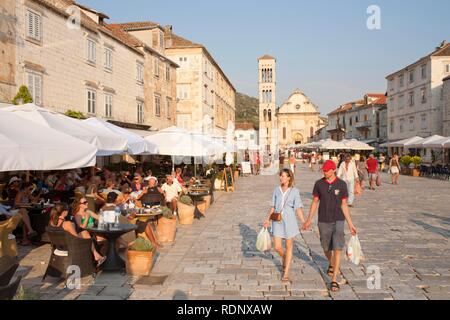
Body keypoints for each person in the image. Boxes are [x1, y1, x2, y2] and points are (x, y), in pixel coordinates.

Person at [302, 160, 357, 292]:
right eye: (323, 170)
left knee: (337, 247)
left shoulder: (342, 184)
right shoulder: (319, 184)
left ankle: (334, 280)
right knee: (326, 246)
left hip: (338, 219)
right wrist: (309, 219)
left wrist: (350, 224)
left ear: (333, 170)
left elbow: (344, 205)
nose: (324, 172)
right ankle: (332, 263)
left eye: (327, 170)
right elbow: (315, 202)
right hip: (323, 219)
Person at [263, 169, 305, 283]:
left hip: (290, 221)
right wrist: (267, 219)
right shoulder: (276, 190)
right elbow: (273, 206)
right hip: (277, 221)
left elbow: (298, 208)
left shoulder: (294, 191)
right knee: (277, 247)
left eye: (283, 176)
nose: (281, 178)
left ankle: (286, 273)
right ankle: (285, 258)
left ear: (289, 178)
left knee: (289, 246)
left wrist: (303, 221)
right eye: (280, 176)